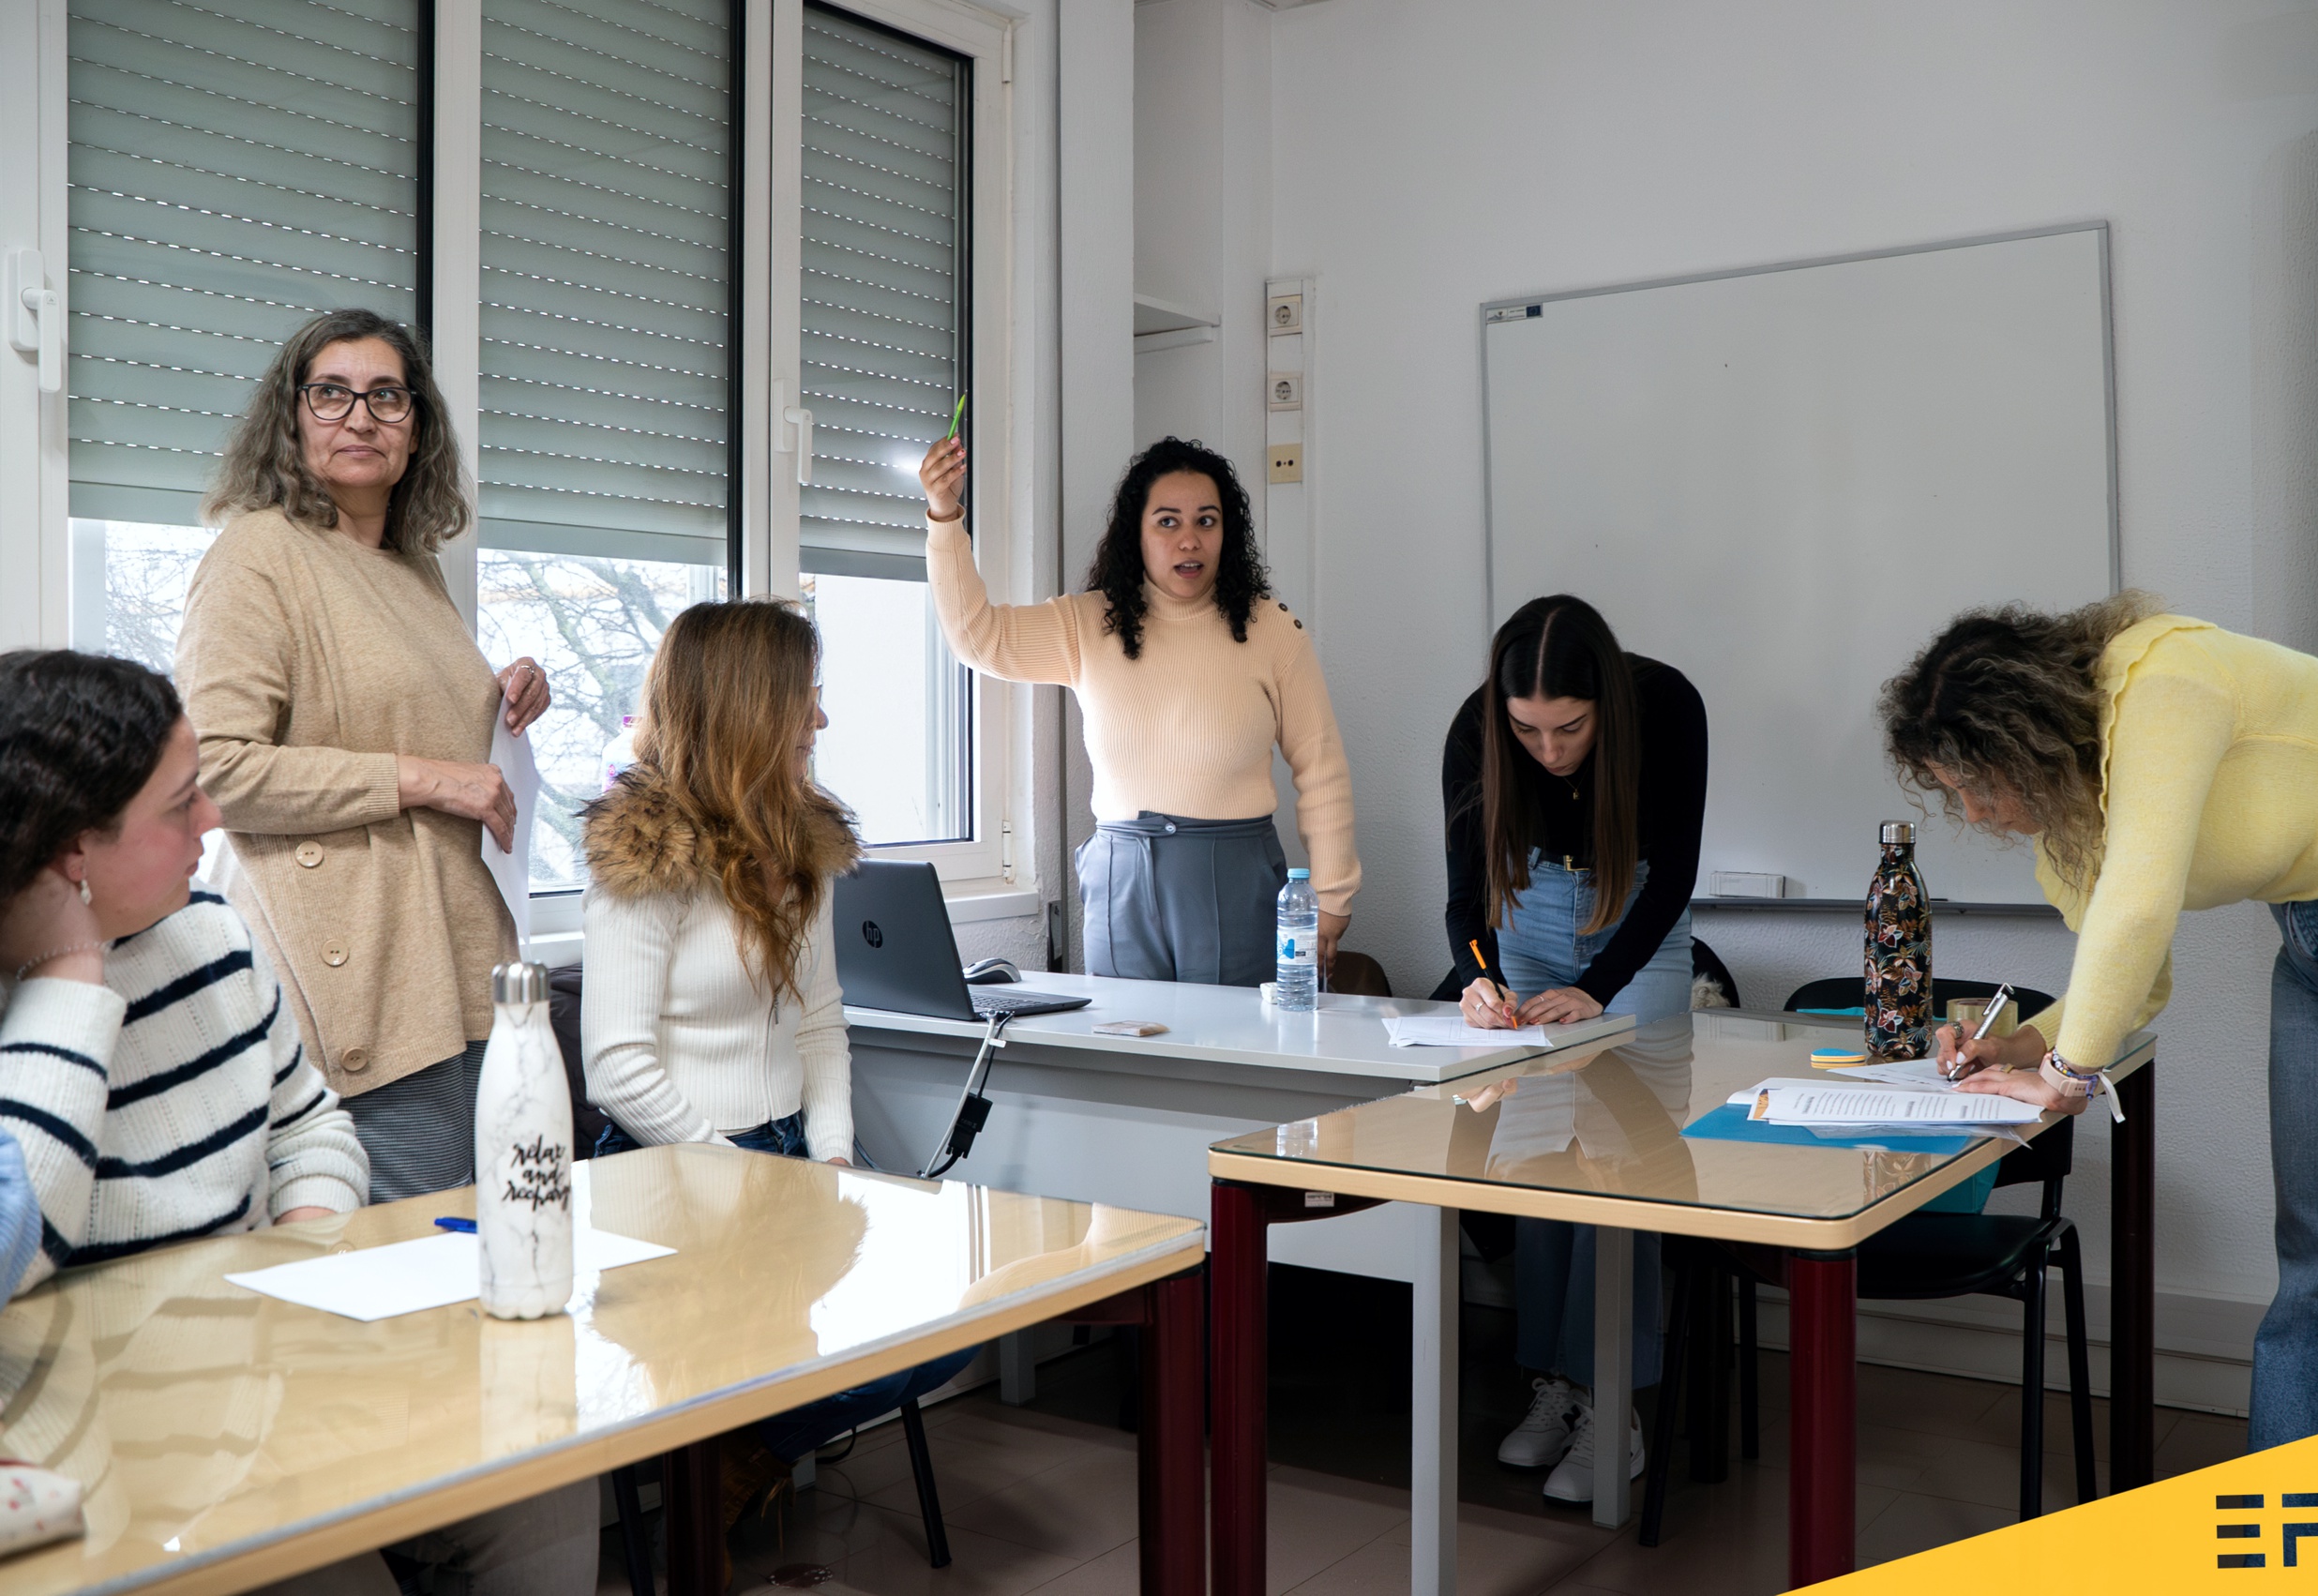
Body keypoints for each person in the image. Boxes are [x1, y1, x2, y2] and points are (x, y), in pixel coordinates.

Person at [1884, 595, 2318, 1450]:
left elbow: (2137, 909)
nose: (1972, 815)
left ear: (2027, 741)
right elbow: (2134, 979)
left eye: (1975, 787)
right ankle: (2301, 1545)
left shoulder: (2163, 675)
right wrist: (2014, 1048)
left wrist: (2062, 1080)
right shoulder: (2076, 816)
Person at [0, 649, 594, 1595]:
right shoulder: (28, 1005)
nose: (214, 818)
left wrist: (303, 1250)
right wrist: (71, 971)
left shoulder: (214, 935)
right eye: (180, 803)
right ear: (74, 852)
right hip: (114, 1457)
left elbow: (310, 1127)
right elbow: (16, 1241)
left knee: (545, 1466)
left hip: (264, 1385)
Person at [579, 597, 971, 1513]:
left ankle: (742, 1454)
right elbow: (616, 1067)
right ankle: (728, 1451)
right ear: (749, 708)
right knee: (751, 1345)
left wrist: (829, 1157)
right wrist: (745, 1178)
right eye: (805, 697)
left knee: (956, 1312)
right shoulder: (644, 858)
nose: (821, 719)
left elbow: (820, 1020)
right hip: (669, 1172)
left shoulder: (802, 844)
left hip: (792, 1150)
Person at [173, 309, 552, 1200]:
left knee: (473, 1250)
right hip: (363, 968)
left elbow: (396, 717)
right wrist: (423, 777)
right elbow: (217, 768)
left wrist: (498, 697)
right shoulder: (258, 554)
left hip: (457, 956)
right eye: (331, 393)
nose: (360, 417)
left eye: (387, 396)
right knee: (401, 1269)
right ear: (293, 416)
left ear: (417, 426)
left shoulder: (413, 566)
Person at [1440, 595, 1708, 1502]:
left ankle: (1613, 1405)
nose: (1549, 750)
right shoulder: (1474, 733)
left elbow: (1673, 874)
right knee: (1537, 1160)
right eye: (1529, 729)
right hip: (1527, 926)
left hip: (1632, 928)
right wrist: (1477, 977)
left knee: (1618, 1168)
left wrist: (1601, 987)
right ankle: (1553, 1386)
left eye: (1570, 727)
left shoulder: (1667, 706)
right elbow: (1463, 898)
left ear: (1606, 706)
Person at [920, 434, 1359, 984]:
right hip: (1119, 876)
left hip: (1233, 872)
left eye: (1207, 521)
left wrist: (1333, 898)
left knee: (1231, 1060)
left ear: (1229, 532)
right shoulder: (1087, 624)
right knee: (1126, 1056)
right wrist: (944, 516)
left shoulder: (1273, 629)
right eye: (1168, 522)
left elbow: (1321, 768)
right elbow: (977, 639)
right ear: (1138, 533)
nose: (1189, 541)